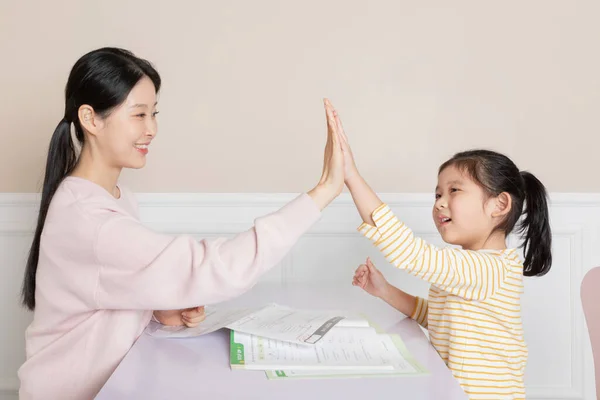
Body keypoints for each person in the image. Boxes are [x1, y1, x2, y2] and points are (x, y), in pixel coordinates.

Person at [18, 47, 345, 400]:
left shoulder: (114, 197)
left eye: (154, 114)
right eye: (139, 115)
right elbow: (210, 266)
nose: (152, 129)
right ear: (91, 119)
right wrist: (324, 190)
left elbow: (104, 295)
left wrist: (159, 306)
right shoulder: (88, 219)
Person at [330, 106, 552, 399]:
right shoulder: (469, 269)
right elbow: (438, 317)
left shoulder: (488, 269)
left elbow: (410, 253)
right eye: (437, 194)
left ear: (499, 205)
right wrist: (385, 291)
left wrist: (351, 177)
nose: (439, 203)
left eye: (454, 191)